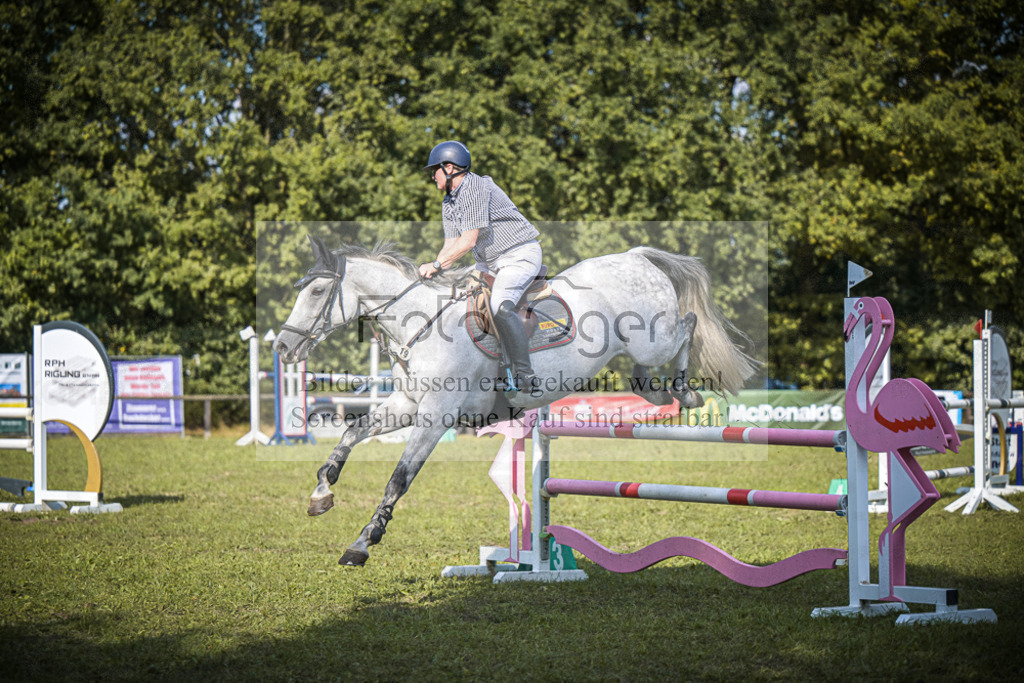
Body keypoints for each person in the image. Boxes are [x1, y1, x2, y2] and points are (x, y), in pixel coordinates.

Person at [418, 140, 542, 395]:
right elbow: (450, 244)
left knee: (500, 306)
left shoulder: (474, 186)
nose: (432, 176)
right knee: (457, 303)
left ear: (450, 168)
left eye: (435, 170)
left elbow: (469, 240)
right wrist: (435, 270)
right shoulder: (449, 202)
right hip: (490, 262)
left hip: (519, 254)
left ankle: (525, 374)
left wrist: (437, 264)